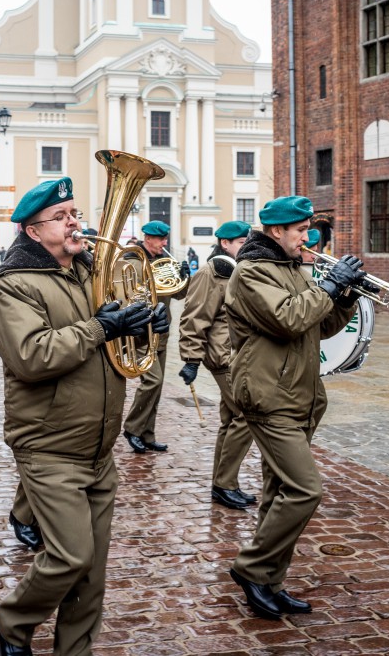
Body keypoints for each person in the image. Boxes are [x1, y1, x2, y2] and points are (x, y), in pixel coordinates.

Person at [0, 177, 167, 655]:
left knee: (93, 572)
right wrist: (101, 326)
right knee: (69, 557)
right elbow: (31, 356)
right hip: (48, 444)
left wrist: (149, 326)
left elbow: (124, 345)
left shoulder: (94, 273)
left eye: (74, 213)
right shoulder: (14, 287)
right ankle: (13, 620)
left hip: (99, 446)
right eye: (60, 217)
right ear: (32, 232)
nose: (74, 222)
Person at [223, 196, 366, 620]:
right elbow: (288, 318)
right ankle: (251, 569)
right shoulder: (251, 273)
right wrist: (327, 286)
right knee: (305, 489)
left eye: (308, 230)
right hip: (269, 396)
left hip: (297, 394)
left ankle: (270, 580)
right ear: (275, 232)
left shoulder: (292, 269)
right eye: (301, 230)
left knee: (279, 492)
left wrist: (343, 296)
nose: (308, 237)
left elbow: (318, 326)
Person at [178, 220, 255, 510]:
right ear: (225, 243)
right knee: (246, 416)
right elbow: (193, 318)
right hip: (223, 358)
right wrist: (190, 359)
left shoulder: (237, 270)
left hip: (236, 355)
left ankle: (223, 483)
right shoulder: (212, 273)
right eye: (240, 242)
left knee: (230, 420)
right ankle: (225, 484)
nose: (245, 246)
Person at [121, 220, 190, 453]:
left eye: (165, 239)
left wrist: (184, 277)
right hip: (142, 333)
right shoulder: (134, 262)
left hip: (161, 332)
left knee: (157, 387)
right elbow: (129, 297)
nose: (164, 243)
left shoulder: (164, 263)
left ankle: (147, 433)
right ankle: (132, 428)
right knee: (152, 381)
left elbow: (178, 295)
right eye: (160, 239)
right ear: (147, 238)